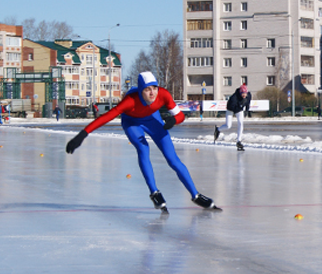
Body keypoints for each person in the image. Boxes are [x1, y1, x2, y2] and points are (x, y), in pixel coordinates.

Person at [66, 71, 218, 213]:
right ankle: (154, 192)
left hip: (153, 119)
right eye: (147, 89)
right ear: (140, 91)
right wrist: (82, 135)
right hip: (132, 123)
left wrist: (173, 121)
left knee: (173, 159)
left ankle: (195, 195)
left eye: (154, 88)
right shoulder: (130, 101)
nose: (152, 93)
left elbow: (180, 116)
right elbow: (107, 117)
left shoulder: (163, 94)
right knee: (143, 148)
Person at [214, 83, 251, 151]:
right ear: (240, 92)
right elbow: (232, 107)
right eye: (243, 93)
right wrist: (239, 107)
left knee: (240, 123)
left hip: (239, 109)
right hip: (230, 109)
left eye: (245, 93)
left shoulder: (248, 95)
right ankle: (218, 129)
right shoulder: (234, 98)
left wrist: (247, 110)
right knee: (228, 126)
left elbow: (248, 103)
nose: (244, 95)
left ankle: (238, 141)